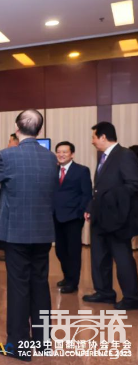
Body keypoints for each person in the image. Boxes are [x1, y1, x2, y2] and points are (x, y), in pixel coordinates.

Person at [0, 109, 58, 361]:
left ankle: (19, 346)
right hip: (42, 230)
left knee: (18, 287)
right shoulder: (51, 158)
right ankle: (43, 341)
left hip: (16, 230)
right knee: (40, 284)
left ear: (17, 129)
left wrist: (6, 191)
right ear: (39, 130)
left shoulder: (7, 155)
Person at [83, 122, 138, 310]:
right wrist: (91, 206)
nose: (92, 141)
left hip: (117, 219)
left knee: (122, 259)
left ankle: (131, 298)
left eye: (93, 137)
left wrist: (110, 198)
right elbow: (98, 189)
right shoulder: (104, 157)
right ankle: (104, 292)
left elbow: (133, 184)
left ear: (103, 137)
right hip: (100, 216)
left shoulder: (125, 155)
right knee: (99, 257)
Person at [52, 141, 92, 294]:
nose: (61, 154)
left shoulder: (81, 170)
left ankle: (73, 282)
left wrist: (81, 212)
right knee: (60, 250)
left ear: (72, 154)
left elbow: (86, 194)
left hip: (73, 217)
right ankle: (67, 276)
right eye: (58, 152)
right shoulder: (53, 170)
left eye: (65, 152)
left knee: (73, 251)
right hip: (56, 216)